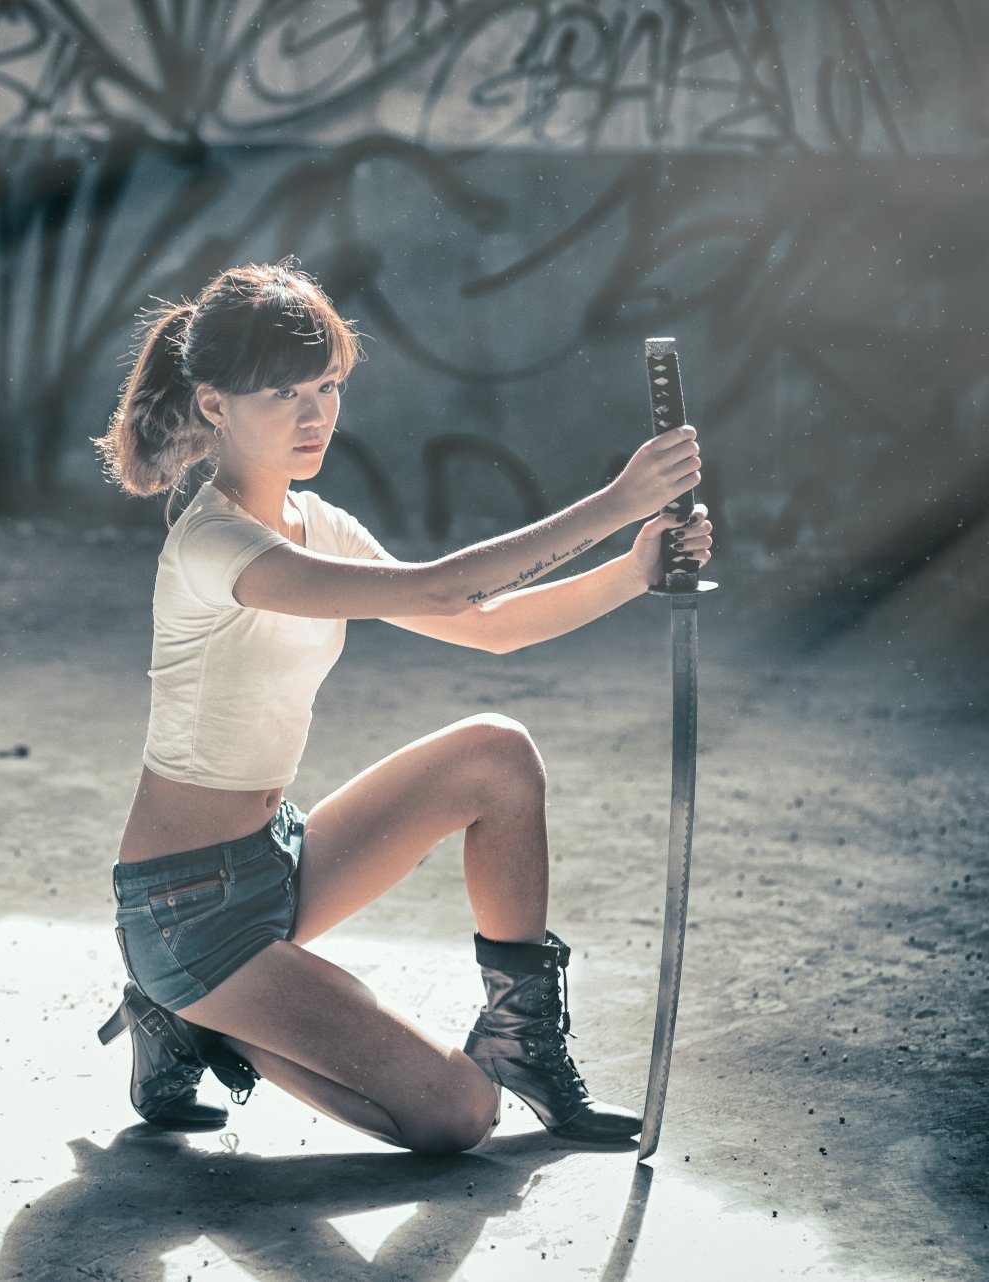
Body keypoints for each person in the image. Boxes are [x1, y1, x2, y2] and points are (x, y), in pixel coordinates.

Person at [91, 260, 712, 1153]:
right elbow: (440, 580)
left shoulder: (319, 523)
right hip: (186, 909)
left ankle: (522, 1038)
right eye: (282, 393)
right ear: (215, 403)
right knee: (456, 1115)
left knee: (497, 755)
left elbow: (483, 622)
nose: (314, 417)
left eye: (328, 387)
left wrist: (635, 568)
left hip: (277, 858)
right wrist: (617, 502)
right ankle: (194, 1013)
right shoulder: (214, 544)